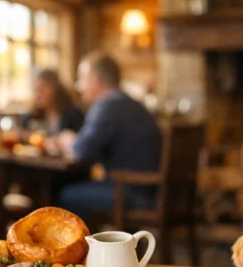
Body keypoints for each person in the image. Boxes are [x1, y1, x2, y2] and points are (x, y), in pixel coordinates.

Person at [53, 52, 162, 220]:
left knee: (66, 194)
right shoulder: (133, 103)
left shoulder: (107, 106)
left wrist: (69, 140)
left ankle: (84, 245)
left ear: (95, 80)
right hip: (151, 189)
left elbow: (82, 152)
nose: (78, 86)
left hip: (131, 191)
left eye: (81, 79)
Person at [22, 68, 84, 136]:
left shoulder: (73, 115)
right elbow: (21, 134)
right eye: (36, 89)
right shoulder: (32, 115)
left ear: (55, 88)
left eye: (43, 88)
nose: (38, 94)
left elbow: (81, 141)